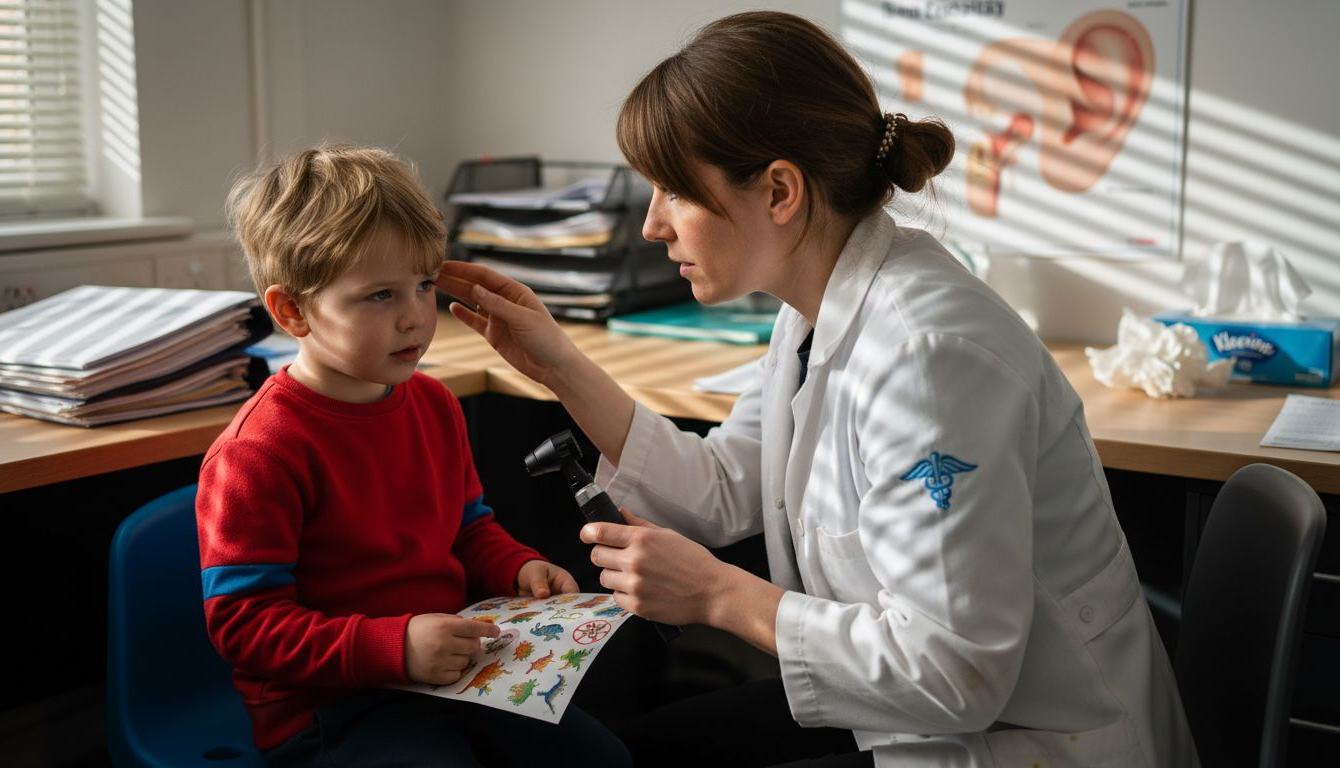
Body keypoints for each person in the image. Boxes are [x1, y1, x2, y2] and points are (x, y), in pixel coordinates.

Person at [437, 11, 1199, 768]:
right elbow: (724, 486)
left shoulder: (927, 358)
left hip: (1020, 738)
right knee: (627, 754)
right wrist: (559, 365)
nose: (652, 226)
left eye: (674, 190)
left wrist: (717, 596)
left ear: (779, 191)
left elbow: (955, 673)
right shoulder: (813, 313)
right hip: (915, 713)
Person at [199, 143, 631, 767]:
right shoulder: (257, 453)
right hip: (331, 710)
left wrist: (515, 568)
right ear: (292, 311)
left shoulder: (432, 403)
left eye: (423, 284)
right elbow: (245, 626)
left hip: (451, 673)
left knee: (602, 759)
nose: (416, 318)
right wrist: (393, 648)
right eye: (379, 296)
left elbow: (467, 529)